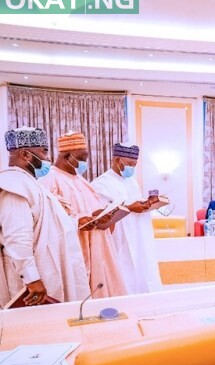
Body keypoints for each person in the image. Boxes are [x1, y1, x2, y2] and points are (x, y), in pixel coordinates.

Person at [0, 127, 90, 306]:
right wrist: (32, 279)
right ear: (25, 154)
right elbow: (17, 238)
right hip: (34, 280)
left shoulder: (30, 183)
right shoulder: (14, 185)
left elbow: (49, 222)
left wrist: (75, 220)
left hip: (49, 268)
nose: (47, 158)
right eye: (43, 152)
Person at [39, 132, 128, 299]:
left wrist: (104, 212)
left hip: (98, 244)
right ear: (67, 156)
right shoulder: (50, 179)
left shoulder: (81, 180)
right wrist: (79, 220)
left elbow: (92, 208)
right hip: (76, 248)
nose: (84, 163)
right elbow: (48, 219)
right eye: (81, 158)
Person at [91, 144, 163, 294]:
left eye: (134, 165)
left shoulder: (131, 181)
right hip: (119, 238)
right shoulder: (101, 183)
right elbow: (102, 214)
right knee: (123, 273)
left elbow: (135, 202)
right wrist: (130, 208)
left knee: (140, 269)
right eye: (129, 164)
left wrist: (147, 203)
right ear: (117, 160)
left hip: (137, 236)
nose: (132, 168)